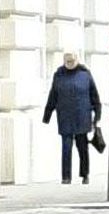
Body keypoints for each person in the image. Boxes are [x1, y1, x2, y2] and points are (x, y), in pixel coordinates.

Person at [41, 51, 102, 185]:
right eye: (67, 61)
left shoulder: (85, 74)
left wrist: (97, 116)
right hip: (65, 116)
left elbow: (94, 96)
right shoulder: (59, 75)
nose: (69, 64)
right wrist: (47, 115)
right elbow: (53, 95)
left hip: (82, 116)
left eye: (72, 61)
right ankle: (66, 176)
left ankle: (85, 174)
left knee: (82, 147)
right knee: (66, 148)